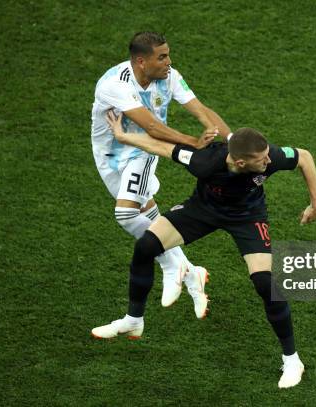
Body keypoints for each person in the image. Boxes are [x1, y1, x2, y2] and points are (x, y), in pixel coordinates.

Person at [92, 111, 316, 389]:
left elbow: (304, 157)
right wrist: (122, 135)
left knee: (264, 282)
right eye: (262, 160)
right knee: (146, 246)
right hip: (203, 211)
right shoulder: (204, 161)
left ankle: (292, 359)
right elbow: (162, 147)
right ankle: (133, 320)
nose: (269, 160)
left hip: (247, 217)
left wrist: (315, 203)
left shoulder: (268, 155)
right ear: (240, 162)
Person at [90, 32, 231, 318]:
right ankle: (191, 273)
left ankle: (171, 265)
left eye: (168, 54)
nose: (169, 61)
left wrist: (233, 141)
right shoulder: (114, 85)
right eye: (162, 57)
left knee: (126, 214)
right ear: (141, 61)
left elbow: (201, 111)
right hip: (109, 154)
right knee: (144, 209)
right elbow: (153, 125)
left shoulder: (170, 77)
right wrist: (193, 141)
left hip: (143, 150)